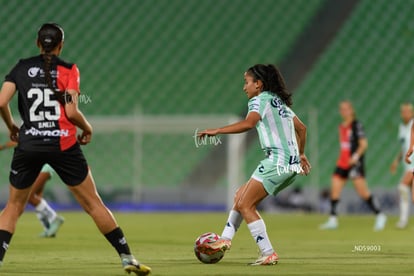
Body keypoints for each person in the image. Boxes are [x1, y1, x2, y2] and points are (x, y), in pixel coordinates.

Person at [0, 23, 151, 275]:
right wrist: (87, 128)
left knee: (13, 207)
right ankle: (127, 257)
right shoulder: (69, 70)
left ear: (38, 43)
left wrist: (12, 126)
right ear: (60, 45)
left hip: (29, 144)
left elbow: (2, 101)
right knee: (93, 204)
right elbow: (71, 111)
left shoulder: (21, 67)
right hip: (64, 145)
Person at [197, 64, 311, 265]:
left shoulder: (259, 100)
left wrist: (218, 131)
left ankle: (268, 253)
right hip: (290, 165)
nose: (244, 87)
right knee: (240, 196)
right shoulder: (278, 103)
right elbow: (301, 129)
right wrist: (301, 154)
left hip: (277, 161)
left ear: (258, 84)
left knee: (245, 204)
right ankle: (225, 239)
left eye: (247, 82)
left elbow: (248, 124)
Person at [319, 101, 386, 231]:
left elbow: (363, 144)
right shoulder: (341, 126)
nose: (343, 111)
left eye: (346, 109)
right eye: (341, 109)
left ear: (351, 110)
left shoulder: (356, 125)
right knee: (335, 189)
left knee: (363, 192)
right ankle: (333, 220)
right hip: (342, 163)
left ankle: (380, 215)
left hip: (354, 163)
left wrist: (355, 157)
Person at [0, 141, 64, 237]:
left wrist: (3, 146)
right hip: (42, 164)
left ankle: (54, 218)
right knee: (36, 197)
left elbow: (17, 141)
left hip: (43, 166)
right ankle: (48, 228)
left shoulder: (28, 130)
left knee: (28, 195)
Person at [392, 103, 414, 228]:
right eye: (403, 111)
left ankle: (403, 220)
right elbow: (404, 147)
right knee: (406, 191)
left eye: (407, 111)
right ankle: (403, 220)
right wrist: (396, 160)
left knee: (402, 187)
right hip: (407, 165)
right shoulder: (402, 127)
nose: (404, 113)